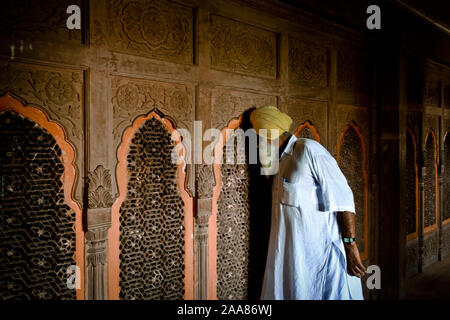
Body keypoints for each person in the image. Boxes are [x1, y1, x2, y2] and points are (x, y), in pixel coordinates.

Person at [250, 106, 366, 300]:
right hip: (293, 259)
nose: (257, 146)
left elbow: (343, 198)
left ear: (270, 136)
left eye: (260, 140)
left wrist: (350, 244)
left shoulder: (308, 150)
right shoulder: (278, 162)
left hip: (321, 256)